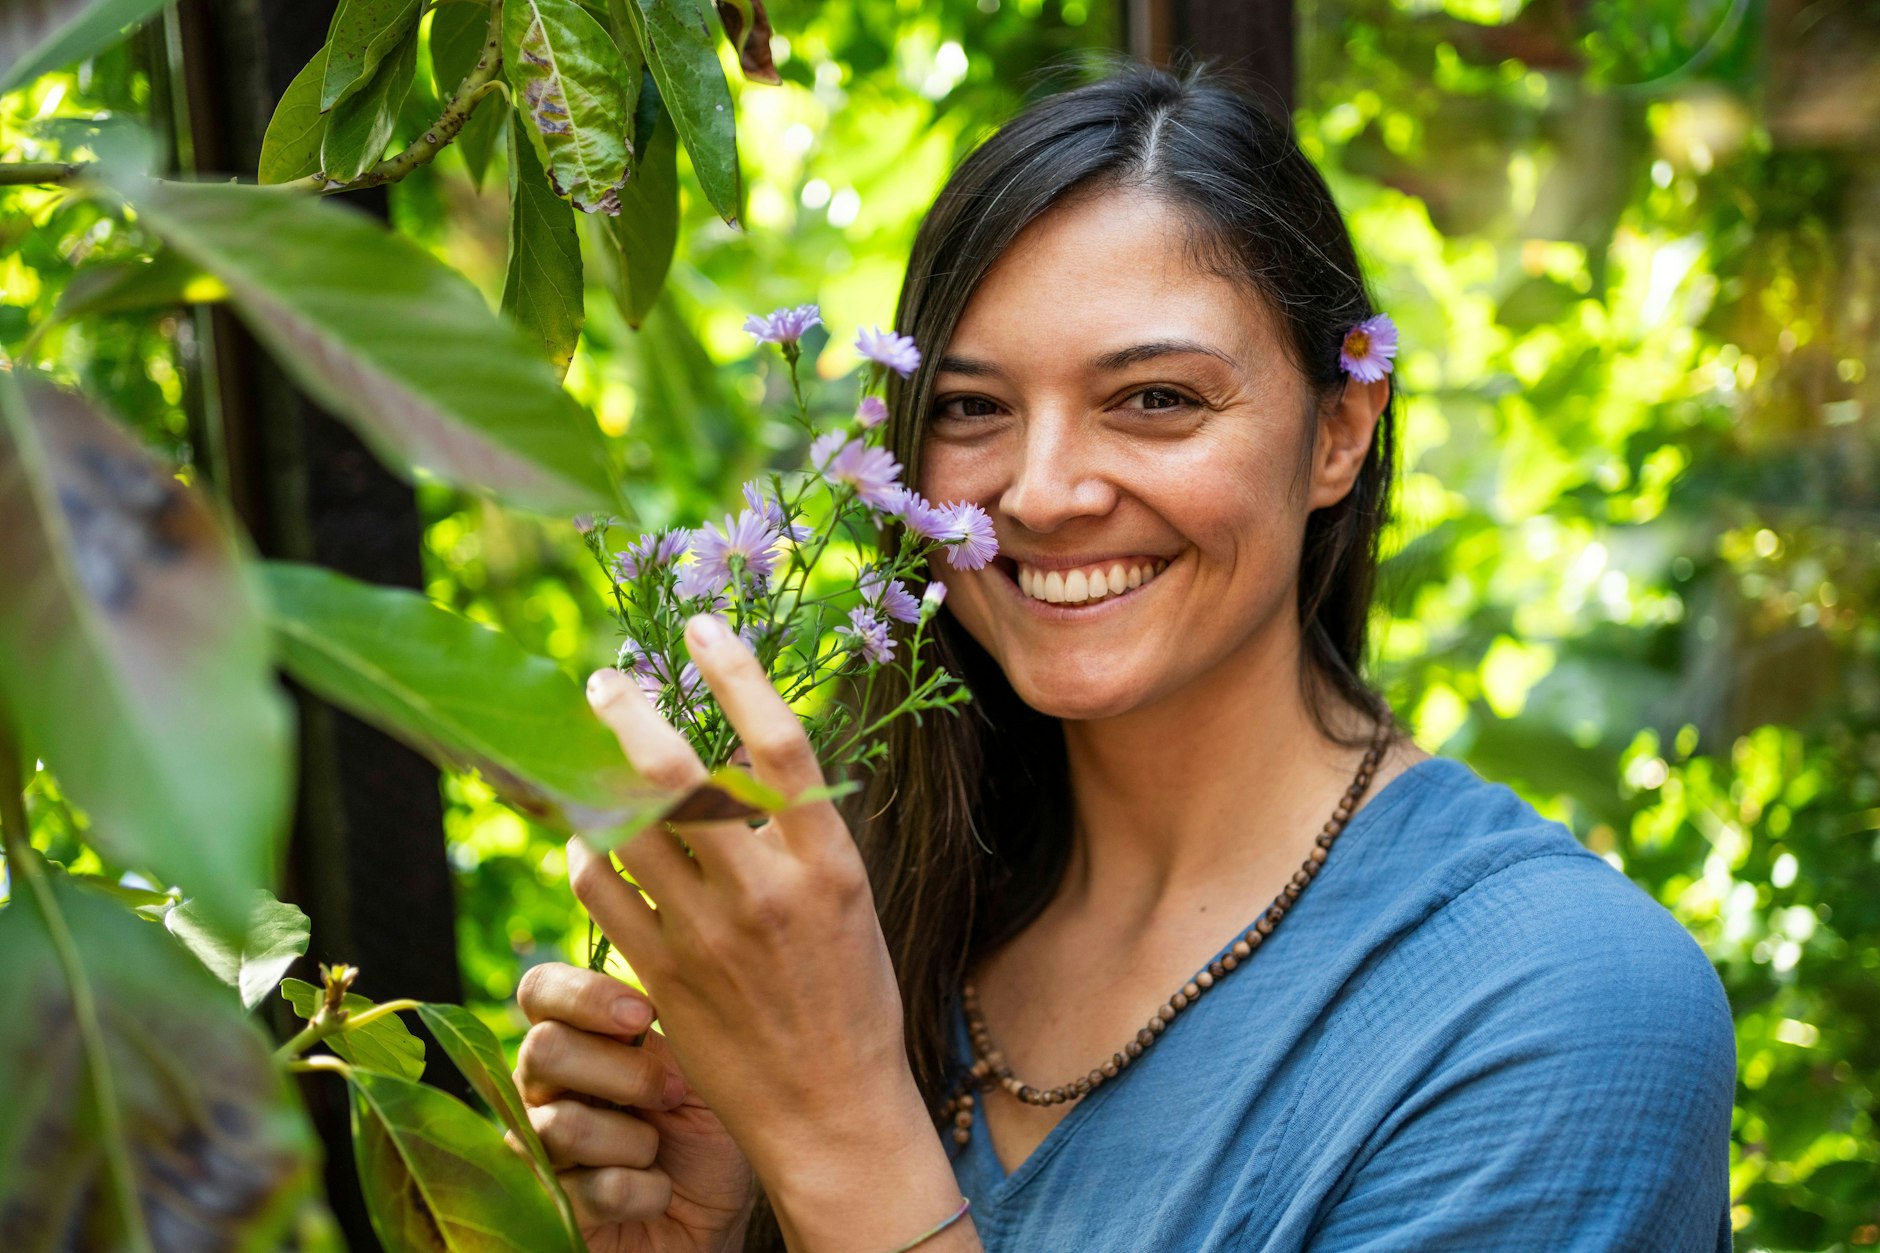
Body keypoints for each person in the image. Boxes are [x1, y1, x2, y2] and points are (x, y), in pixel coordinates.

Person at [509, 65, 1737, 1252]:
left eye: (1153, 398)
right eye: (970, 408)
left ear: (1338, 432)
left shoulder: (1554, 1002)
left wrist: (836, 1138)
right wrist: (709, 1232)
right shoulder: (870, 903)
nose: (1040, 494)